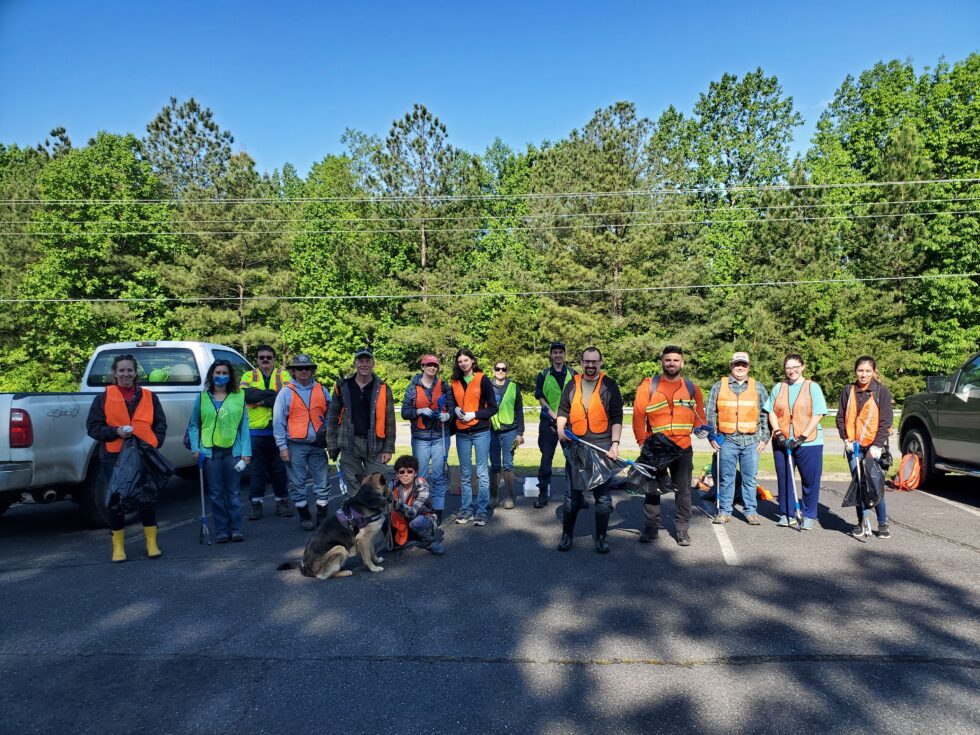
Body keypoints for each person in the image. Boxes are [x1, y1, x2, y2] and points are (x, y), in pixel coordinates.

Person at [86, 353, 167, 562]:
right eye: (121, 370)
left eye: (129, 370)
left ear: (135, 372)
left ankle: (151, 543)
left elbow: (160, 424)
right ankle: (118, 547)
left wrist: (155, 443)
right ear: (114, 373)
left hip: (143, 455)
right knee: (116, 501)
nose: (125, 374)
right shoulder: (103, 398)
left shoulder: (149, 396)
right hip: (114, 456)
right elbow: (93, 428)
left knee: (146, 499)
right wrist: (116, 432)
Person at [631, 346, 706, 547]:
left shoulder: (692, 388)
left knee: (683, 491)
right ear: (662, 362)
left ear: (682, 363)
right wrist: (642, 443)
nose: (671, 363)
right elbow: (638, 417)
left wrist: (701, 429)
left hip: (683, 447)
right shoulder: (648, 386)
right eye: (668, 360)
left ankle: (682, 530)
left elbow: (699, 417)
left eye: (675, 360)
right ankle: (651, 528)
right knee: (652, 489)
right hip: (656, 447)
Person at [556, 347, 624, 553]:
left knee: (602, 498)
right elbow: (563, 410)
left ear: (601, 363)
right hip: (576, 446)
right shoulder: (572, 384)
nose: (591, 365)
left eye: (594, 362)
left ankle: (601, 538)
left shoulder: (610, 386)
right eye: (587, 361)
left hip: (601, 447)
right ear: (581, 362)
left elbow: (616, 417)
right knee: (572, 497)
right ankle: (567, 536)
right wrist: (560, 428)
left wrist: (615, 444)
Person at [187, 359, 251, 543]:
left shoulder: (239, 396)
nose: (221, 376)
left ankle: (236, 528)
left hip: (233, 451)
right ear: (211, 375)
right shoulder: (202, 398)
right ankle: (222, 530)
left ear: (230, 376)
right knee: (216, 494)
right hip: (210, 452)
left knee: (233, 493)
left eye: (224, 373)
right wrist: (195, 449)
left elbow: (244, 427)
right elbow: (193, 426)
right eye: (218, 373)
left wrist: (247, 453)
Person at [706, 351, 771, 525]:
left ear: (748, 367)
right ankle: (725, 511)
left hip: (751, 442)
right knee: (727, 478)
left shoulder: (758, 387)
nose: (740, 367)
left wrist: (764, 438)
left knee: (750, 479)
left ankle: (751, 511)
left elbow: (766, 414)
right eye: (737, 364)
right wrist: (712, 437)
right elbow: (711, 413)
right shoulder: (719, 386)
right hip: (727, 441)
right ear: (731, 366)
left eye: (743, 364)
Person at [764, 353, 828, 530]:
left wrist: (802, 437)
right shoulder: (779, 387)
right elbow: (771, 412)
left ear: (802, 367)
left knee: (810, 480)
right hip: (782, 441)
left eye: (795, 367)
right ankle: (787, 513)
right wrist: (779, 433)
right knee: (785, 478)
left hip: (809, 442)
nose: (791, 371)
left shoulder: (812, 387)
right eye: (788, 368)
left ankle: (808, 515)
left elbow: (818, 413)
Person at [836, 356, 894, 539]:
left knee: (874, 485)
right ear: (855, 371)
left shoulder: (881, 392)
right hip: (853, 446)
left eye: (868, 371)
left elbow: (886, 422)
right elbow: (840, 417)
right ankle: (861, 523)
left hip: (873, 447)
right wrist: (845, 439)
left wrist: (877, 446)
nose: (864, 374)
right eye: (860, 370)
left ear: (874, 372)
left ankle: (882, 523)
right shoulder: (848, 390)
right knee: (859, 485)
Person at [273, 354, 331, 531]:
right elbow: (278, 421)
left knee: (322, 482)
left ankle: (322, 516)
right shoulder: (285, 392)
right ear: (293, 371)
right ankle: (304, 515)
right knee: (297, 482)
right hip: (295, 445)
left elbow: (332, 413)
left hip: (318, 445)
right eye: (300, 368)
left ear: (312, 370)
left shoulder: (322, 389)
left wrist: (328, 432)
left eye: (307, 368)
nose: (304, 371)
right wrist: (282, 447)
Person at [326, 347, 396, 493]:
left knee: (379, 487)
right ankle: (358, 516)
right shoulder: (342, 386)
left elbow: (390, 420)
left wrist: (388, 448)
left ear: (373, 364)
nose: (364, 364)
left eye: (367, 361)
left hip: (376, 444)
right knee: (354, 487)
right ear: (355, 363)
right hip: (350, 444)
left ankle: (380, 516)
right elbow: (332, 417)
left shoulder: (383, 388)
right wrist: (332, 444)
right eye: (360, 361)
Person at [400, 354, 453, 524]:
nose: (432, 368)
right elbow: (404, 412)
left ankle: (437, 513)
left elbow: (452, 407)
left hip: (440, 437)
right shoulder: (412, 388)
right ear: (422, 366)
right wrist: (419, 411)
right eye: (429, 365)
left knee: (438, 477)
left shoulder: (444, 386)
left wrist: (448, 415)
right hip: (420, 439)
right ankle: (419, 512)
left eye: (435, 365)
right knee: (420, 478)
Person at [241, 345, 291, 519]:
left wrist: (262, 398)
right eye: (262, 357)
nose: (265, 360)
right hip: (255, 430)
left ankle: (282, 504)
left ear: (274, 359)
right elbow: (245, 395)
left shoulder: (283, 375)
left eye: (268, 357)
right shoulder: (249, 375)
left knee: (279, 470)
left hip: (279, 429)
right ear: (257, 359)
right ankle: (256, 505)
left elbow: (286, 396)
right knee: (257, 471)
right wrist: (270, 397)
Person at [451, 349, 498, 527]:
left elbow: (493, 408)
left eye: (466, 360)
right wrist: (455, 409)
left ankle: (481, 511)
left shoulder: (482, 379)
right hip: (462, 433)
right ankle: (466, 510)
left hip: (480, 431)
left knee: (481, 472)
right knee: (464, 473)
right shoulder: (454, 381)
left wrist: (474, 414)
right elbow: (453, 403)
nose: (463, 363)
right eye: (460, 361)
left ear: (472, 361)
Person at [533, 341, 576, 508]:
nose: (558, 355)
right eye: (555, 352)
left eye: (561, 352)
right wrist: (555, 416)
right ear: (551, 355)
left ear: (564, 355)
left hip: (570, 423)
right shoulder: (543, 374)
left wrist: (565, 418)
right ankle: (542, 493)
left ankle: (573, 496)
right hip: (548, 423)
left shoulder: (573, 374)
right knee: (546, 460)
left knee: (572, 460)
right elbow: (540, 397)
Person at [390, 455, 445, 555]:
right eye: (402, 472)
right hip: (403, 520)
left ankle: (430, 542)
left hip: (422, 519)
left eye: (410, 471)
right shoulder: (393, 485)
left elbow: (412, 512)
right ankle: (396, 541)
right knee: (383, 519)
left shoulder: (421, 484)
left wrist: (396, 503)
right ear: (397, 474)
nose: (406, 475)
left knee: (417, 522)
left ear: (415, 473)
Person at [489, 360, 525, 510]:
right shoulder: (487, 386)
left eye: (504, 369)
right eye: (498, 368)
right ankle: (493, 496)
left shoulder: (513, 387)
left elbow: (519, 410)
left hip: (510, 431)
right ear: (493, 370)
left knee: (508, 464)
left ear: (507, 371)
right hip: (492, 431)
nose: (501, 371)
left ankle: (509, 497)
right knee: (495, 464)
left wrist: (520, 433)